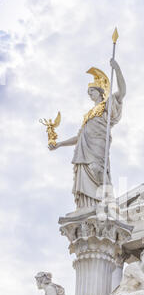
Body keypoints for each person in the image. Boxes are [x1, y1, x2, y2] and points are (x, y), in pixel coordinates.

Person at [49, 59, 126, 209]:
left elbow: (122, 92)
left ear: (100, 91)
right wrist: (59, 144)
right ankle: (89, 206)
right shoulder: (88, 115)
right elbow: (79, 137)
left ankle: (110, 202)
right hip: (84, 148)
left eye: (92, 91)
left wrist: (117, 69)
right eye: (88, 92)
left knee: (97, 169)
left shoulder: (108, 105)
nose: (89, 94)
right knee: (85, 174)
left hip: (99, 143)